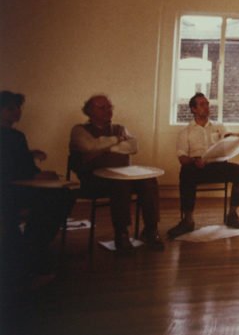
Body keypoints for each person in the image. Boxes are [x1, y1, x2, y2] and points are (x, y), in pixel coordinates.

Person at [69, 94, 164, 253]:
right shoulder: (79, 130)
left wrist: (103, 148)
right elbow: (89, 146)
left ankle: (151, 229)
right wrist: (116, 141)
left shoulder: (120, 128)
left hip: (123, 176)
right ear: (89, 111)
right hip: (94, 180)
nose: (108, 110)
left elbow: (133, 146)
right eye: (102, 107)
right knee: (120, 184)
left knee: (149, 180)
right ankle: (122, 233)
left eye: (110, 107)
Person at [0, 91, 75, 285]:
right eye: (10, 108)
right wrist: (35, 175)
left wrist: (35, 166)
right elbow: (9, 168)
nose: (17, 112)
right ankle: (32, 250)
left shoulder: (17, 135)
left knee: (64, 194)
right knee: (54, 200)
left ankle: (33, 244)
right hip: (8, 189)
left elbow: (21, 163)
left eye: (18, 108)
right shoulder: (11, 136)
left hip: (19, 185)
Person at [167, 93, 239, 239]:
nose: (206, 107)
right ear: (193, 109)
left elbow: (229, 138)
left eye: (207, 104)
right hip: (197, 167)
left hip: (218, 165)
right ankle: (188, 220)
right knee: (186, 173)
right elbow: (182, 158)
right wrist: (195, 160)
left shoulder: (218, 126)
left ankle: (232, 214)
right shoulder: (185, 131)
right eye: (202, 104)